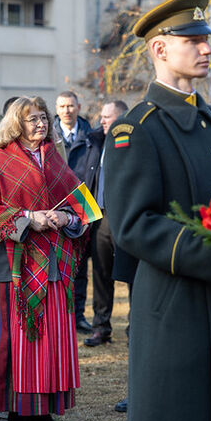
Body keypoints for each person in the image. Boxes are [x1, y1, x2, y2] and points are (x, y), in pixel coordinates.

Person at [103, 0, 211, 421]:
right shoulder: (138, 129)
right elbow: (132, 224)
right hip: (175, 306)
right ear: (160, 48)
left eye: (207, 38)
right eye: (193, 40)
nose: (207, 48)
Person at [0, 96, 87, 421]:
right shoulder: (1, 160)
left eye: (43, 118)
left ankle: (46, 411)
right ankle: (19, 412)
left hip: (53, 266)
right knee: (20, 340)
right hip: (15, 266)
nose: (40, 124)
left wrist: (66, 217)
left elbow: (84, 205)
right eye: (32, 119)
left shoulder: (54, 157)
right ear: (16, 124)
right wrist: (27, 217)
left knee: (52, 339)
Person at [84, 99, 129, 348]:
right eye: (101, 116)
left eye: (107, 116)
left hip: (125, 218)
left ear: (121, 118)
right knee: (101, 274)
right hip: (99, 218)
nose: (101, 121)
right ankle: (101, 328)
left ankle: (136, 328)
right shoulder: (96, 142)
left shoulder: (133, 143)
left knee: (132, 274)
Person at [54, 90, 96, 333]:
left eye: (70, 105)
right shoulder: (48, 136)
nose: (67, 110)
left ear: (78, 107)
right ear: (56, 109)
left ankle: (78, 315)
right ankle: (62, 315)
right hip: (56, 204)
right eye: (62, 106)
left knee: (81, 265)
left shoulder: (91, 136)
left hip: (83, 202)